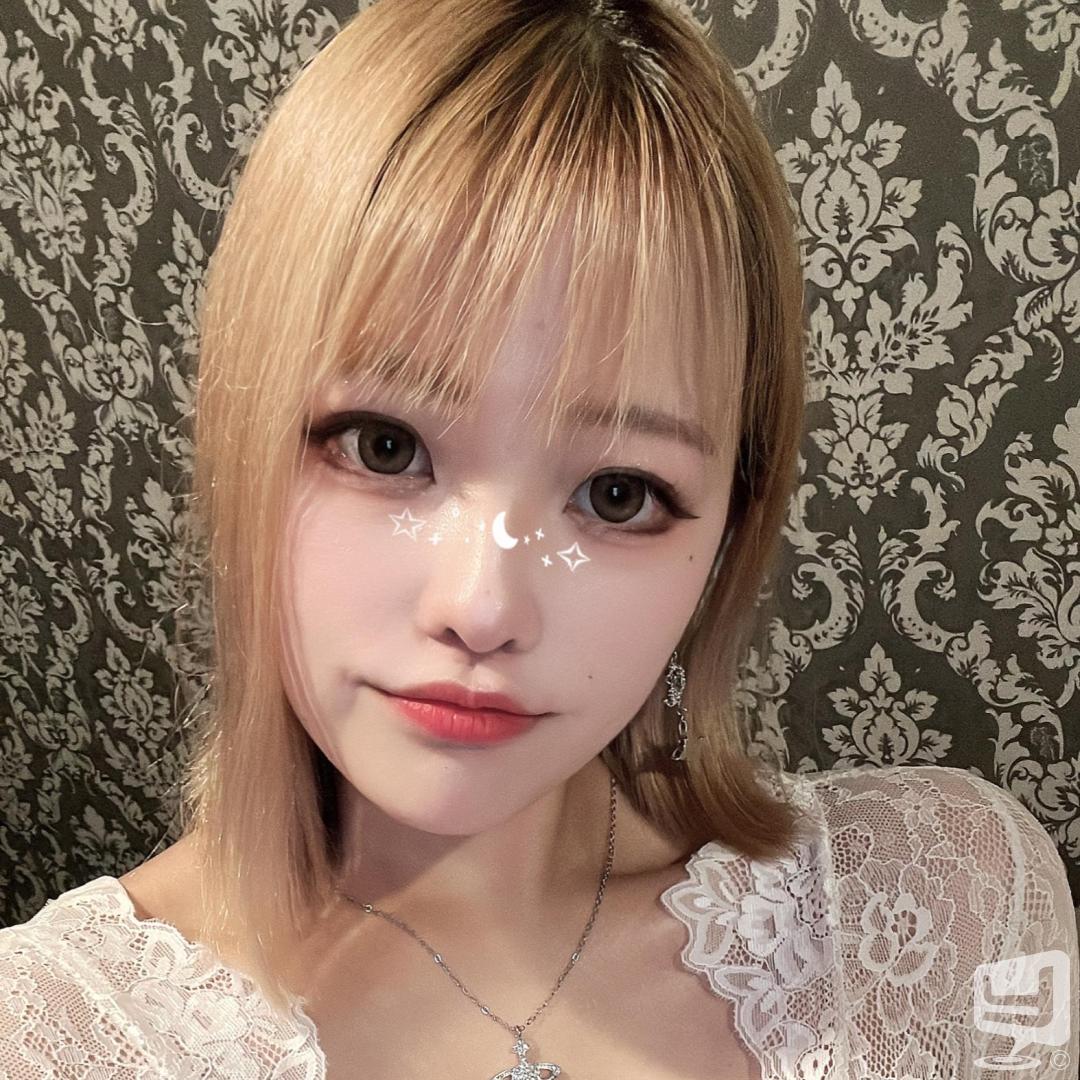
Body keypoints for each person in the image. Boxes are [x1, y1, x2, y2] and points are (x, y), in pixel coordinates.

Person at [2, 0, 1077, 1077]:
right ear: (241, 439)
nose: (482, 607)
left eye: (617, 494)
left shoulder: (958, 908)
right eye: (383, 447)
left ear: (727, 533)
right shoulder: (49, 1036)